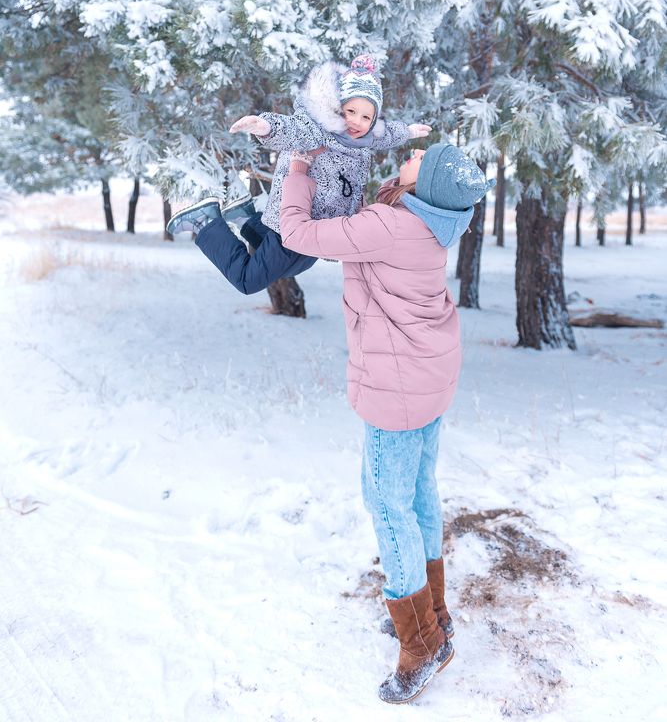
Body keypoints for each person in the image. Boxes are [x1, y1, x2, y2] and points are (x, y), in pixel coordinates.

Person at [279, 141, 495, 704]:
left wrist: (298, 170)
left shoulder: (389, 227)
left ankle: (420, 645)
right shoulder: (434, 222)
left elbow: (298, 234)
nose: (415, 150)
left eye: (424, 158)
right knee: (419, 492)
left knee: (387, 503)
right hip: (428, 377)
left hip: (396, 388)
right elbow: (382, 213)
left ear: (426, 186)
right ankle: (433, 613)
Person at [165, 55, 431, 295]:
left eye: (365, 117)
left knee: (290, 268)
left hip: (319, 233)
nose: (356, 122)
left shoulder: (365, 140)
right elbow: (291, 129)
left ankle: (244, 217)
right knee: (248, 280)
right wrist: (265, 126)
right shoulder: (319, 131)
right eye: (350, 111)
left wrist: (408, 132)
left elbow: (388, 134)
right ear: (339, 108)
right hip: (295, 221)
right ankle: (205, 222)